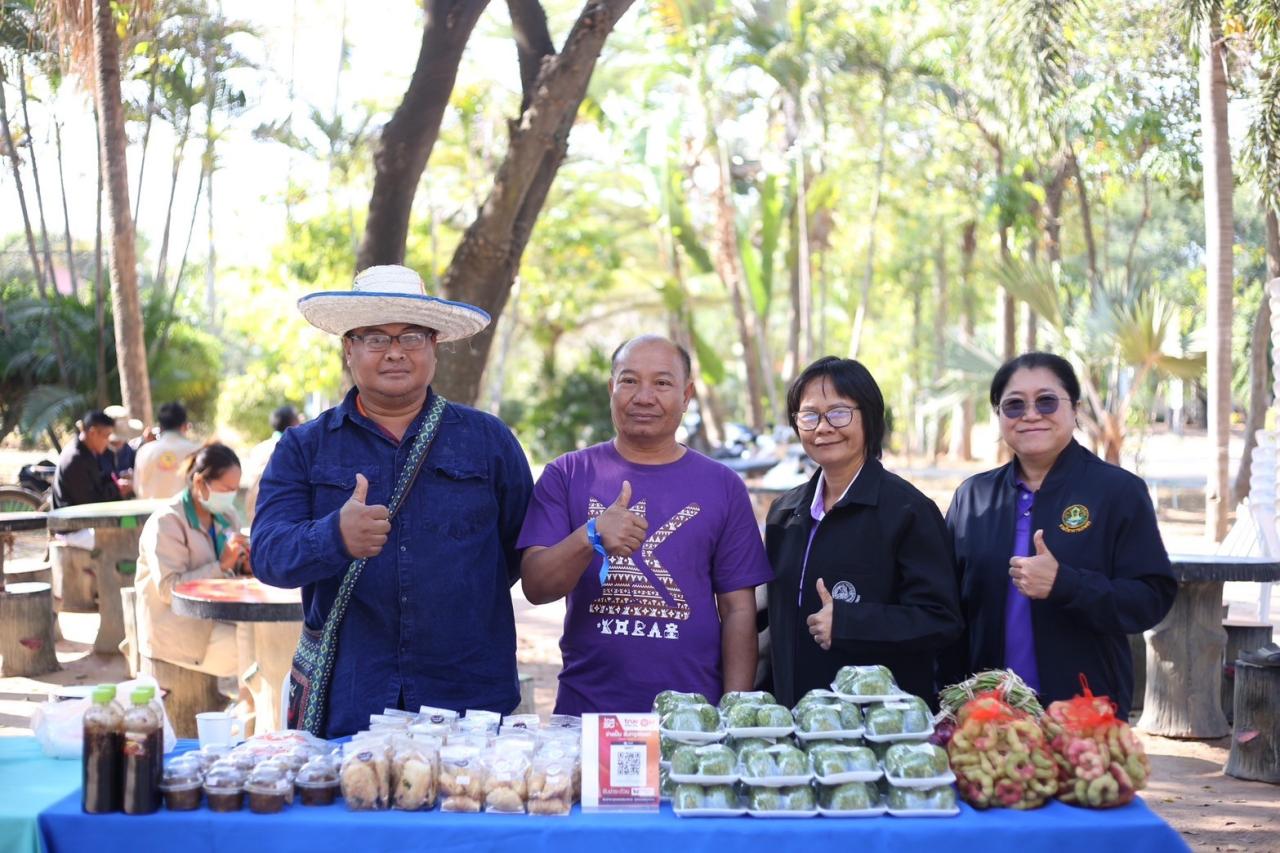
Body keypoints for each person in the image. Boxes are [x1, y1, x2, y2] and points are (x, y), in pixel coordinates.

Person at [252, 265, 533, 738]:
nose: (396, 352)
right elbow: (267, 556)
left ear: (435, 345)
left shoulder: (488, 441)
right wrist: (333, 537)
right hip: (352, 698)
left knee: (468, 811)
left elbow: (517, 552)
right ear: (348, 348)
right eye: (376, 338)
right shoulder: (305, 446)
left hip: (469, 698)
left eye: (412, 337)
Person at [518, 335, 772, 714]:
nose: (644, 396)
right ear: (611, 389)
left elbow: (738, 610)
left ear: (686, 396)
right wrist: (591, 536)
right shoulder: (567, 474)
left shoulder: (722, 485)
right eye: (630, 380)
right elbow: (536, 587)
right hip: (587, 712)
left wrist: (731, 714)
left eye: (663, 383)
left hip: (693, 716)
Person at [940, 352, 1176, 718]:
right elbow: (948, 607)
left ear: (1075, 408)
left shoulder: (1117, 491)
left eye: (1046, 401)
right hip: (988, 717)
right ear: (1000, 416)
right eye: (1014, 405)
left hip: (1083, 712)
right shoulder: (972, 496)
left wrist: (1065, 583)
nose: (1031, 414)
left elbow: (1151, 598)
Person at [763, 357, 962, 706]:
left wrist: (850, 622)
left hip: (875, 729)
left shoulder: (909, 511)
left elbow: (940, 620)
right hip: (793, 721)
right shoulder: (784, 513)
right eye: (809, 415)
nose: (823, 427)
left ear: (869, 417)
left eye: (839, 412)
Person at [134, 443, 252, 677]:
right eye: (226, 488)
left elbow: (232, 569)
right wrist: (221, 566)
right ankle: (249, 710)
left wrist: (244, 565)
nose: (230, 495)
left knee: (268, 636)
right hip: (178, 630)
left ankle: (249, 708)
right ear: (199, 482)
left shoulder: (226, 515)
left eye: (235, 489)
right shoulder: (167, 522)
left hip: (215, 617)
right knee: (256, 651)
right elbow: (169, 590)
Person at [51, 410, 127, 508]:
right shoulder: (75, 459)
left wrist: (119, 478)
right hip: (72, 520)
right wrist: (117, 487)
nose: (108, 441)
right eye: (106, 436)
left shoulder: (88, 451)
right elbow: (89, 503)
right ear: (93, 433)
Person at [243, 405, 301, 523]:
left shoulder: (260, 448)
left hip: (255, 511)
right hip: (279, 515)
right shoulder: (293, 449)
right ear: (294, 422)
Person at [133, 402, 201, 499]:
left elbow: (137, 487)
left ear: (160, 427)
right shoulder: (197, 451)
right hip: (186, 512)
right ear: (185, 426)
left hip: (151, 512)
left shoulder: (144, 451)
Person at [98, 405, 142, 480]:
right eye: (116, 442)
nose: (121, 443)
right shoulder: (98, 453)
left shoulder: (129, 450)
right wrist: (119, 476)